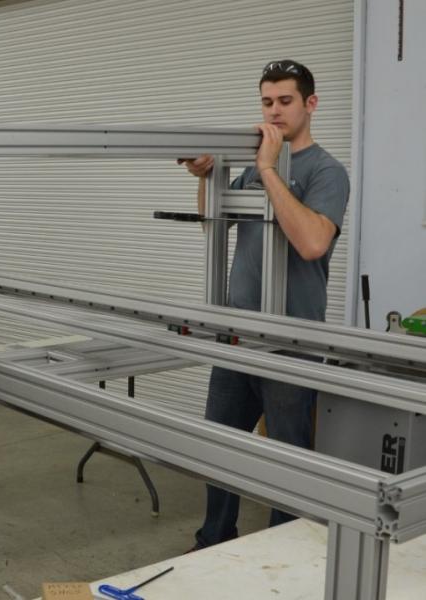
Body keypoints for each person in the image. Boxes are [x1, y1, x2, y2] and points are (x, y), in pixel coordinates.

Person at [180, 59, 349, 549]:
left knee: (286, 459)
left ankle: (282, 552)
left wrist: (269, 170)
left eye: (285, 101)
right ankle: (213, 541)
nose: (273, 112)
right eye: (267, 101)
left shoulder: (326, 171)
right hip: (237, 335)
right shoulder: (254, 164)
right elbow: (211, 218)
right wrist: (205, 175)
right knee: (220, 446)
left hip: (292, 339)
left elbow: (313, 242)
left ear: (310, 104)